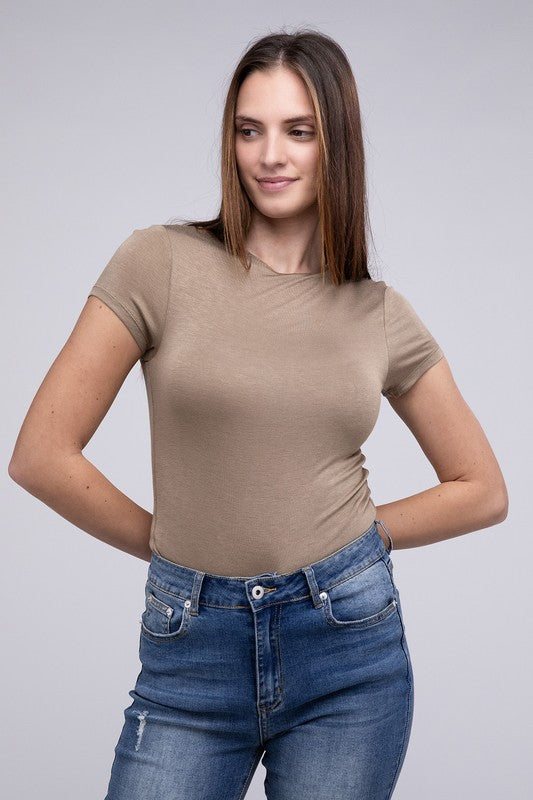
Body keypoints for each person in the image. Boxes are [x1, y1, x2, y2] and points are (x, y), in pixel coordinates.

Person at [8, 28, 508, 800]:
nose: (269, 154)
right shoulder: (159, 262)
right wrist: (173, 554)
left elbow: (482, 488)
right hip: (190, 656)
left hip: (347, 657)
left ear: (334, 143)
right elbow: (41, 453)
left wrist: (361, 542)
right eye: (249, 130)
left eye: (297, 131)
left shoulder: (377, 313)